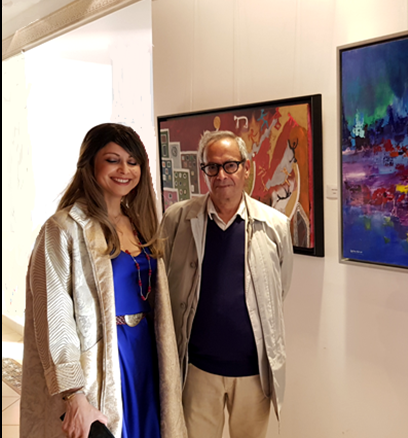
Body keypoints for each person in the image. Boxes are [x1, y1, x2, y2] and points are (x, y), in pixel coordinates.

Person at [20, 123, 187, 438]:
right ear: (90, 164)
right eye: (113, 160)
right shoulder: (64, 228)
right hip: (103, 360)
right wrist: (74, 394)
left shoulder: (140, 222)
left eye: (133, 162)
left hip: (145, 354)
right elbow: (54, 316)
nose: (124, 170)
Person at [161, 130, 293, 438]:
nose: (222, 175)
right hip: (197, 371)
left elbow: (279, 289)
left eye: (230, 165)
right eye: (213, 167)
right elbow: (165, 285)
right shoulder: (177, 219)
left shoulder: (275, 225)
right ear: (204, 171)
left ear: (246, 168)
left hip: (253, 374)